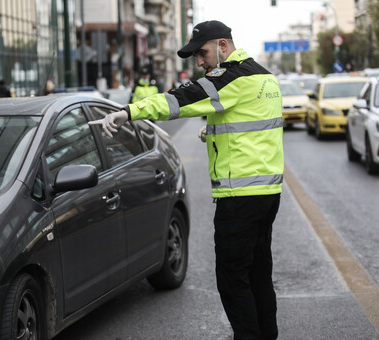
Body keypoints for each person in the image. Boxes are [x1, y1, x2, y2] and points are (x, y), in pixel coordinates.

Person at [89, 20, 283, 340]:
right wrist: (216, 132)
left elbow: (179, 100)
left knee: (232, 278)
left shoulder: (229, 77)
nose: (200, 62)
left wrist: (127, 113)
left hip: (240, 197)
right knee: (259, 273)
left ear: (223, 46)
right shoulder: (265, 77)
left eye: (203, 53)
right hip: (268, 192)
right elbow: (256, 128)